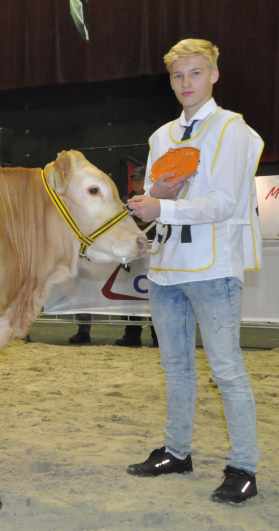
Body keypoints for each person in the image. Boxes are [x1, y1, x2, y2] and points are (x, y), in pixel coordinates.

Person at [127, 39, 263, 504]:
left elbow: (225, 204)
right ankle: (176, 451)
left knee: (227, 369)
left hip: (212, 267)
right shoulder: (161, 136)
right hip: (165, 268)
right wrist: (154, 199)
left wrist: (161, 202)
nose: (185, 83)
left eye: (194, 74)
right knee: (176, 367)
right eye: (177, 76)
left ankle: (243, 467)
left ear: (214, 75)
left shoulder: (233, 130)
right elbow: (154, 197)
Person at [116, 166, 159, 348]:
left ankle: (158, 335)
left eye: (139, 179)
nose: (136, 182)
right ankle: (132, 334)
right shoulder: (125, 201)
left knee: (156, 295)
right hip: (133, 253)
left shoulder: (156, 201)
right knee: (130, 295)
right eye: (134, 180)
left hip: (155, 251)